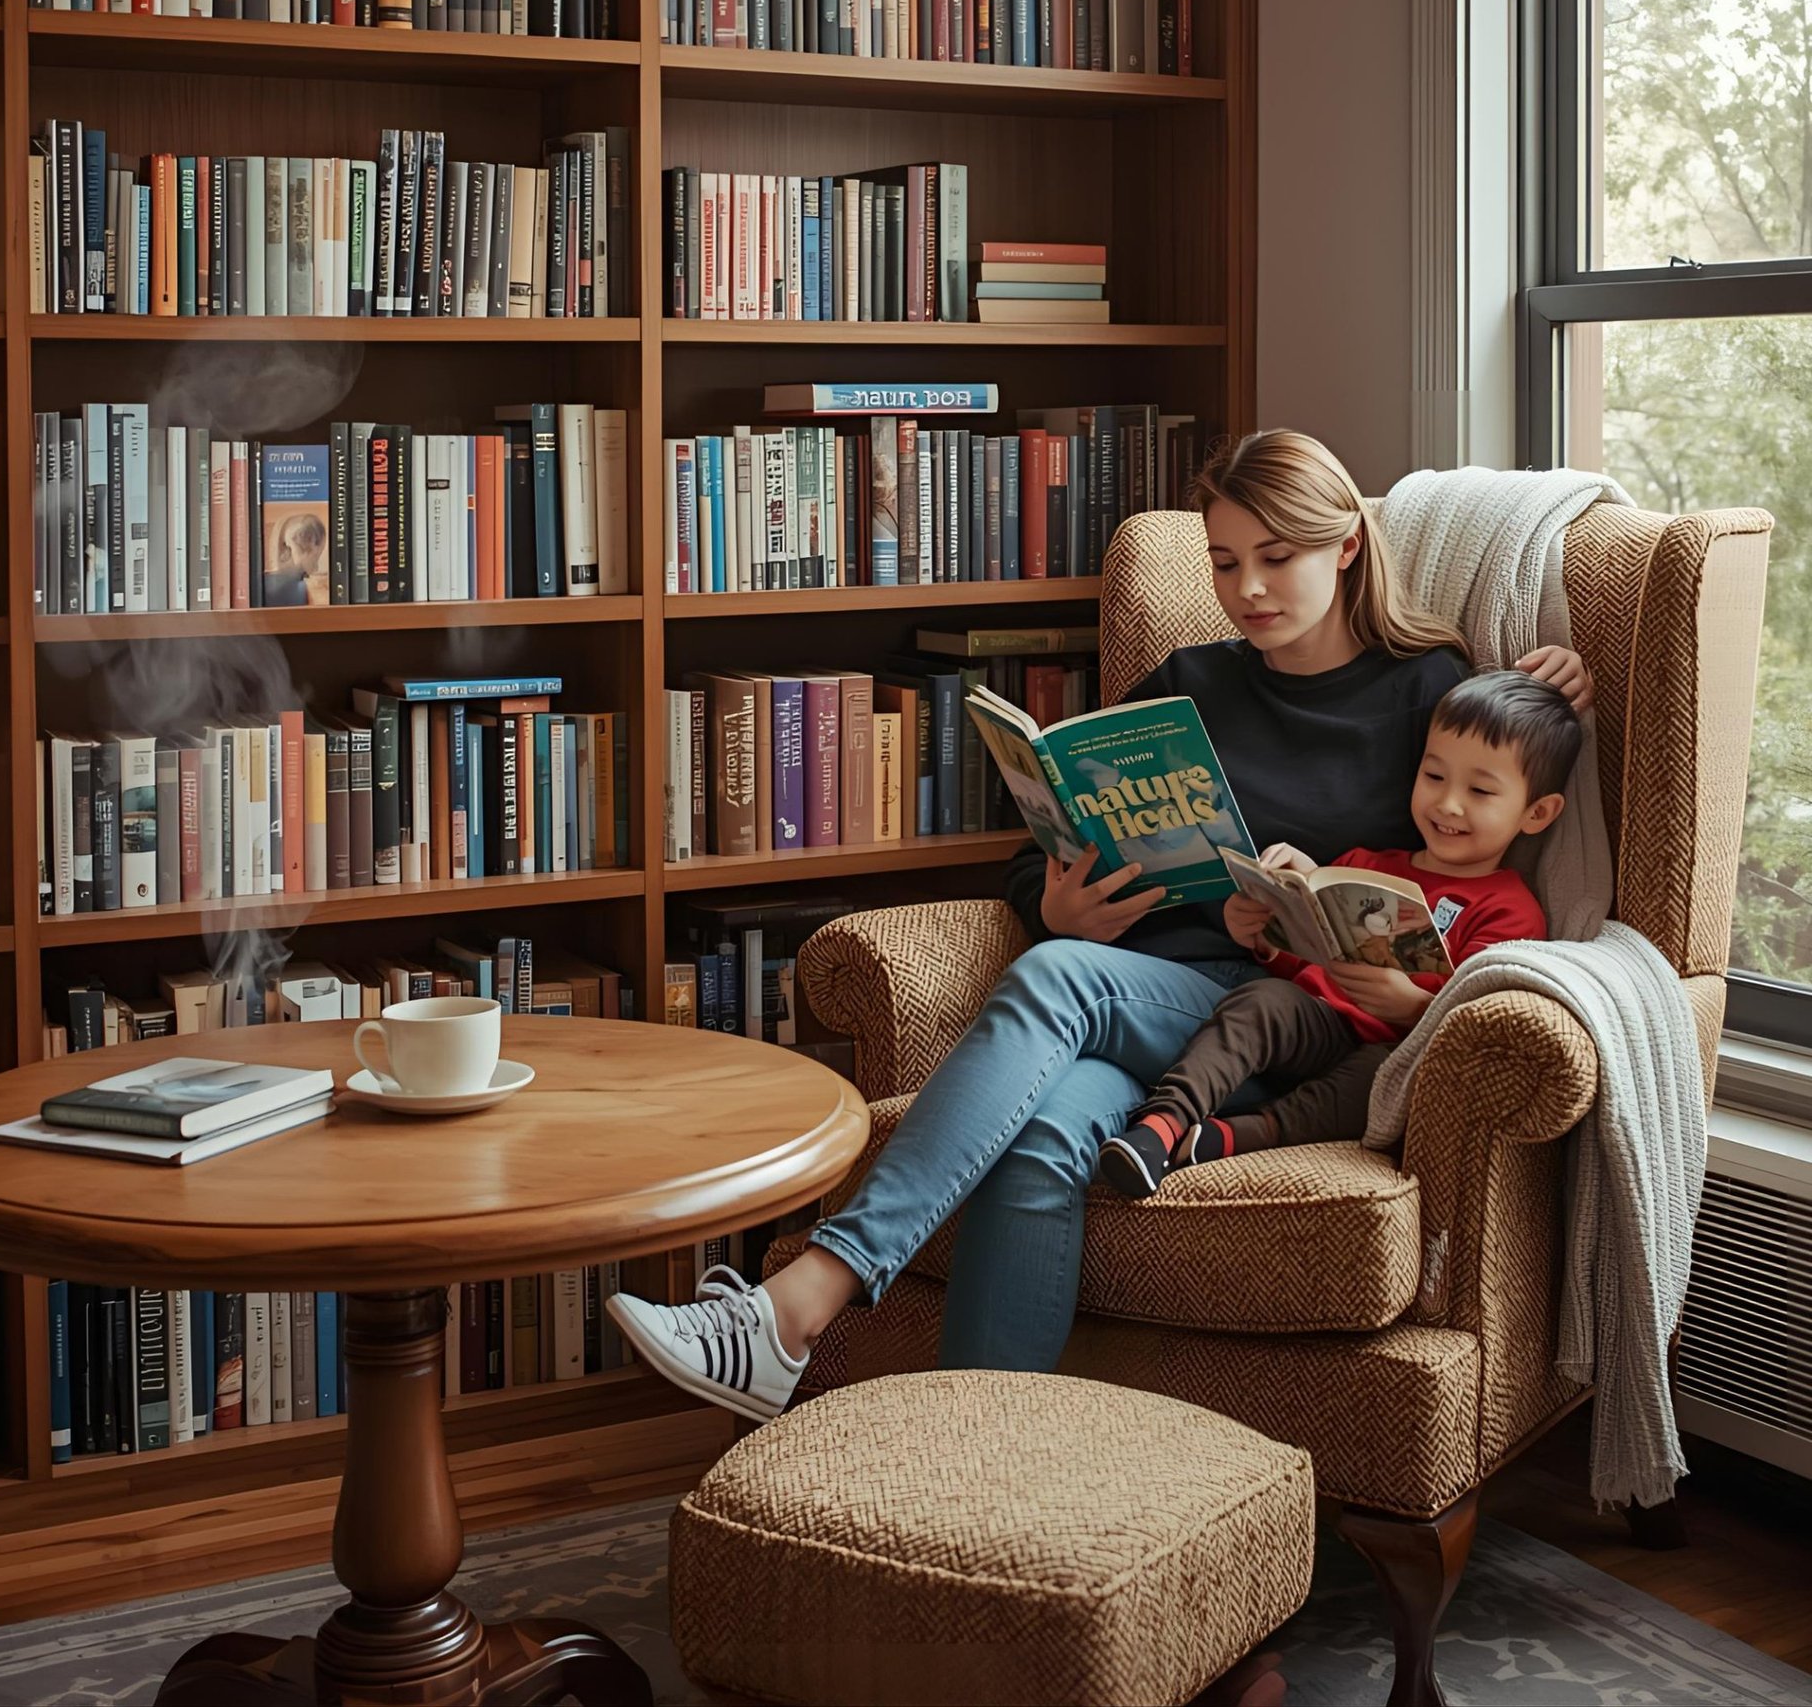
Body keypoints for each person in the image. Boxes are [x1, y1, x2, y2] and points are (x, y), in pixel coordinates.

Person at [607, 430, 1595, 1423]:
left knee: (1059, 977)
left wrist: (1552, 674)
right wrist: (1056, 900)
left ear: (1345, 546)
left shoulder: (1423, 687)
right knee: (1042, 1137)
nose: (1247, 588)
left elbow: (1495, 769)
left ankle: (799, 1304)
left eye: (1275, 557)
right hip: (1141, 989)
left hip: (1287, 1018)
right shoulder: (1189, 681)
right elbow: (1041, 846)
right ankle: (980, 1454)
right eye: (1223, 562)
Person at [1096, 668, 1576, 1197]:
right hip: (1317, 1019)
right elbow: (1302, 963)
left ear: (1537, 812)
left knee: (1380, 1079)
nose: (1448, 804)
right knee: (1260, 999)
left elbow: (1480, 1012)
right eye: (1434, 776)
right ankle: (1160, 1126)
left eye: (1480, 790)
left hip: (1395, 1047)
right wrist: (1263, 934)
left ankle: (1239, 1136)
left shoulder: (1510, 911)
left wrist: (1415, 1006)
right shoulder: (1363, 867)